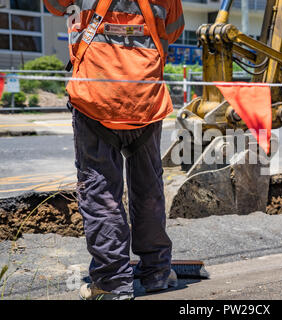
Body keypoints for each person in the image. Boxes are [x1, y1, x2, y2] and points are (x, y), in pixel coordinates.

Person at [44, 0, 184, 300]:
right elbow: (173, 31)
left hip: (97, 99)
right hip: (146, 98)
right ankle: (156, 272)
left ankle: (112, 282)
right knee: (148, 190)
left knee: (101, 194)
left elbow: (54, 6)